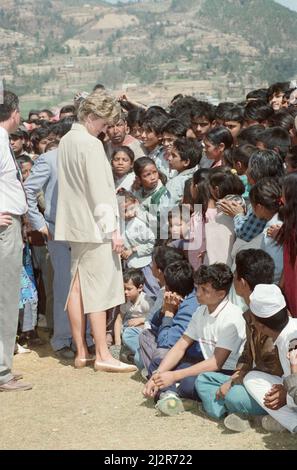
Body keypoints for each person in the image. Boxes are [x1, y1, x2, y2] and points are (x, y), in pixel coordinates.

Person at [55, 89, 136, 373]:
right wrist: (113, 230)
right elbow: (100, 192)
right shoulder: (89, 145)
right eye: (104, 122)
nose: (107, 129)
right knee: (100, 291)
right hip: (96, 227)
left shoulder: (65, 141)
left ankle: (82, 352)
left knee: (77, 287)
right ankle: (102, 352)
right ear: (91, 117)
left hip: (75, 225)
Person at [196, 249, 283, 432]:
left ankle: (251, 416)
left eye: (235, 274)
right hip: (248, 378)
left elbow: (271, 368)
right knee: (203, 379)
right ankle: (236, 414)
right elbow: (246, 355)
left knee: (234, 395)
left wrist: (235, 382)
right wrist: (234, 378)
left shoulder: (270, 314)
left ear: (242, 282)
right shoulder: (249, 313)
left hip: (271, 387)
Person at [143, 264, 246, 416]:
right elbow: (180, 346)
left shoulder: (232, 317)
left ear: (221, 294)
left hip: (224, 372)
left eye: (205, 290)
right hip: (204, 365)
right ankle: (170, 394)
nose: (198, 293)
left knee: (190, 382)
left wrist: (174, 376)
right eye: (198, 287)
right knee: (159, 362)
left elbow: (216, 363)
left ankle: (171, 392)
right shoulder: (201, 311)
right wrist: (157, 375)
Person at [0, 90, 32, 392]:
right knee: (5, 298)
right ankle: (1, 371)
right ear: (15, 112)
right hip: (3, 227)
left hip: (10, 224)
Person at [243, 284, 297, 433]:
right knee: (252, 378)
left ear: (260, 325)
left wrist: (287, 396)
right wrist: (287, 389)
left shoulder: (292, 342)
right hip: (293, 388)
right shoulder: (289, 330)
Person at [113, 269, 154, 358]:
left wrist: (141, 320)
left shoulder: (146, 301)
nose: (125, 292)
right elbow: (119, 319)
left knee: (128, 333)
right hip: (129, 330)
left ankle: (145, 354)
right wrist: (117, 343)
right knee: (124, 331)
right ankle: (130, 353)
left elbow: (155, 318)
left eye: (129, 289)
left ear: (140, 287)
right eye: (124, 288)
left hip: (145, 332)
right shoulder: (126, 302)